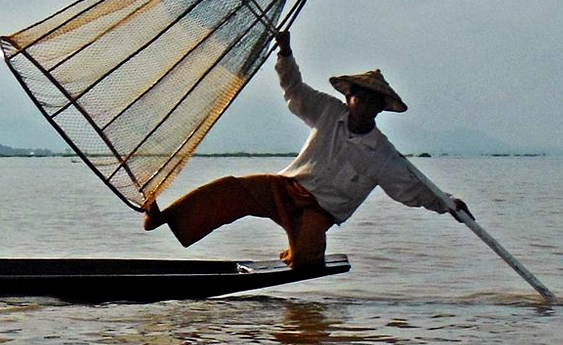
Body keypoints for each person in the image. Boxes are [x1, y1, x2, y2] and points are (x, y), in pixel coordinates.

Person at [142, 30, 470, 267]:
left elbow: (411, 189)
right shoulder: (329, 111)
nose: (363, 105)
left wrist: (448, 204)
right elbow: (295, 91)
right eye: (359, 97)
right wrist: (285, 54)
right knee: (230, 190)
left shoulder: (382, 153)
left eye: (372, 101)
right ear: (349, 98)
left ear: (380, 108)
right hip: (287, 187)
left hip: (320, 210)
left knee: (305, 259)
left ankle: (298, 254)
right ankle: (164, 219)